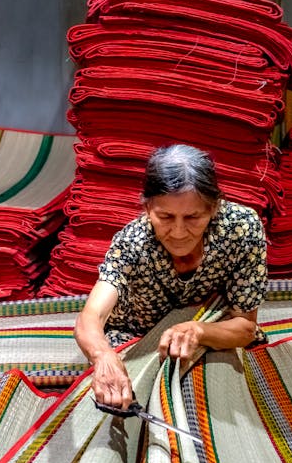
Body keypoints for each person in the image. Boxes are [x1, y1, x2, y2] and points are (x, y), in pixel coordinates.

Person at [73, 143, 267, 408]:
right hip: (138, 336)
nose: (178, 232)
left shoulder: (241, 228)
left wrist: (198, 330)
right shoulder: (133, 242)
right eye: (165, 216)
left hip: (209, 327)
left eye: (192, 217)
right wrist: (103, 356)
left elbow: (245, 326)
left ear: (213, 208)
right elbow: (91, 317)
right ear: (147, 208)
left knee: (213, 393)